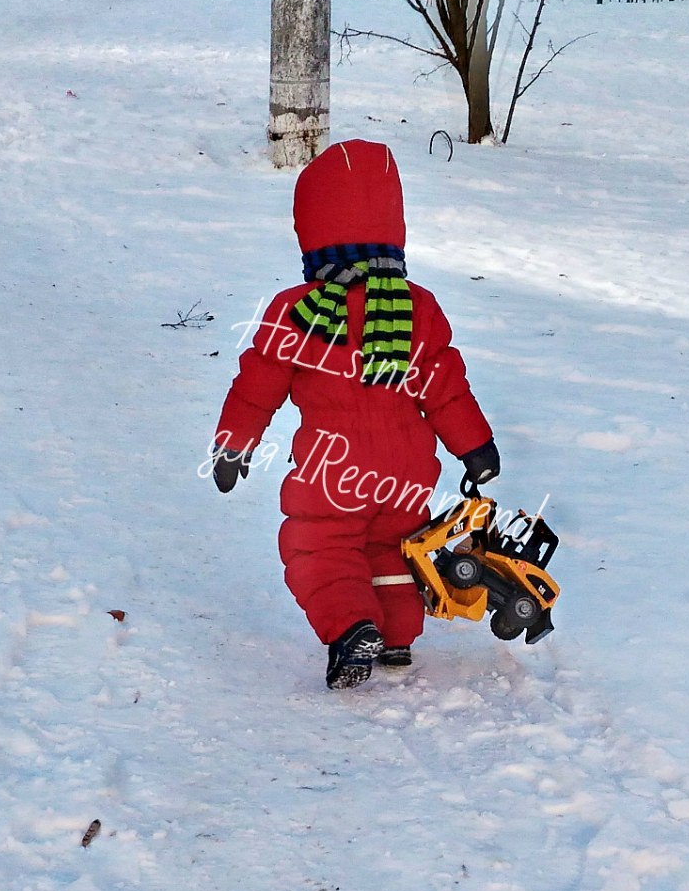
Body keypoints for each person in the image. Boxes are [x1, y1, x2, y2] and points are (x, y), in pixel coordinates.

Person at [209, 139, 499, 689]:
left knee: (320, 544)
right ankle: (396, 638)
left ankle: (350, 629)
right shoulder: (417, 307)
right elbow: (444, 387)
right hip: (408, 469)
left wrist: (233, 444)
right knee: (394, 547)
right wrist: (475, 447)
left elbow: (257, 388)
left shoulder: (297, 311)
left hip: (333, 470)